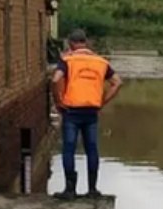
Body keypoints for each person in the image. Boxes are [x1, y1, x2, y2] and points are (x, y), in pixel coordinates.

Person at [52, 30, 123, 199]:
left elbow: (55, 79)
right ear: (86, 43)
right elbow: (117, 82)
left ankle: (70, 190)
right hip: (91, 111)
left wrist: (58, 101)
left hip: (71, 110)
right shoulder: (101, 62)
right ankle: (92, 189)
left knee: (69, 148)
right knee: (92, 148)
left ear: (71, 44)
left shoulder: (67, 60)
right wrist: (102, 102)